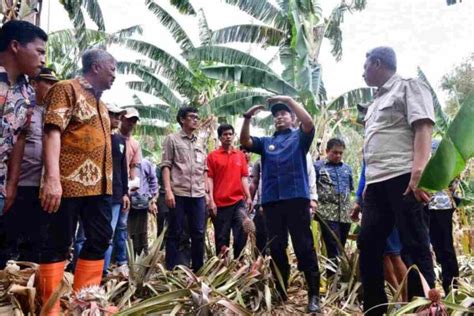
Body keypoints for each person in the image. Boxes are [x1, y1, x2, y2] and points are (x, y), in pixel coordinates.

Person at [357, 46, 436, 315]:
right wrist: (366, 185)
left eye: (366, 66)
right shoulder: (375, 102)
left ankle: (422, 307)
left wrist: (419, 169)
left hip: (403, 176)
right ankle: (374, 309)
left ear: (377, 64)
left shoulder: (408, 86)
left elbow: (423, 125)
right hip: (376, 184)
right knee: (367, 244)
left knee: (414, 243)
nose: (363, 72)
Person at [39, 48, 116, 314]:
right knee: (58, 243)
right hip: (67, 184)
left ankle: (84, 302)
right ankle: (51, 308)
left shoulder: (103, 106)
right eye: (112, 69)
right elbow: (52, 132)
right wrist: (52, 179)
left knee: (101, 238)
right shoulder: (65, 89)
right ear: (96, 67)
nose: (114, 75)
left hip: (99, 188)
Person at [240, 96, 321, 313]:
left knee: (304, 247)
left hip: (296, 200)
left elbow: (309, 123)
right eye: (276, 115)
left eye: (283, 113)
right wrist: (247, 118)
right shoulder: (266, 143)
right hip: (272, 203)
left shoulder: (300, 138)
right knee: (276, 247)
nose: (279, 117)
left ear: (293, 118)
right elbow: (246, 141)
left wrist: (289, 100)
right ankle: (281, 290)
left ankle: (314, 295)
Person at [0, 20, 47, 268]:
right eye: (39, 51)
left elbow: (19, 138)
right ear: (16, 46)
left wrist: (11, 185)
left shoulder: (28, 95)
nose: (42, 59)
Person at [4, 68, 57, 264]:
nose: (52, 88)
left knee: (36, 243)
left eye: (55, 84)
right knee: (9, 240)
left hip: (43, 190)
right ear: (34, 84)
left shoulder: (53, 115)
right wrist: (11, 183)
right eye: (48, 83)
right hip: (19, 185)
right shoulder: (21, 108)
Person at [73, 103, 131, 277]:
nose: (116, 120)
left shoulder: (120, 141)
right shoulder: (91, 136)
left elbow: (123, 169)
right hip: (91, 192)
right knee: (83, 235)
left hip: (114, 193)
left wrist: (125, 192)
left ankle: (101, 271)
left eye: (118, 116)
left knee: (108, 235)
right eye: (112, 115)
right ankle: (77, 269)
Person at [161, 106, 209, 272]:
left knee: (198, 232)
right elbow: (166, 166)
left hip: (197, 193)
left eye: (197, 117)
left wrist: (206, 193)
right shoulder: (172, 139)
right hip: (178, 193)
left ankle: (198, 269)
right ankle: (172, 269)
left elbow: (204, 169)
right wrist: (168, 191)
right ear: (182, 119)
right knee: (175, 231)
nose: (195, 120)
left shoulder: (200, 142)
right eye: (192, 117)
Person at [352, 162, 408, 302]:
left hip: (387, 198)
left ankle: (407, 301)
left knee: (395, 254)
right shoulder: (371, 146)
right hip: (372, 202)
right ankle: (398, 300)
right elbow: (365, 175)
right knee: (382, 256)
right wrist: (359, 201)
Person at [207, 124, 252, 259]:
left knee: (242, 233)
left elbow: (243, 177)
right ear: (220, 137)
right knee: (221, 238)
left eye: (230, 134)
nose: (228, 137)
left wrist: (248, 196)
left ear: (234, 136)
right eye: (225, 134)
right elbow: (209, 179)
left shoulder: (240, 156)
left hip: (238, 202)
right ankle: (222, 267)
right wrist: (211, 201)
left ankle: (239, 263)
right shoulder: (212, 156)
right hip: (220, 204)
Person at [314, 138, 353, 277]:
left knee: (340, 248)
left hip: (345, 214)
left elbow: (350, 189)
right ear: (327, 151)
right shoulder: (318, 167)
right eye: (335, 152)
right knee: (333, 247)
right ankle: (332, 280)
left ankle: (339, 279)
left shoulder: (347, 169)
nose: (338, 156)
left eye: (340, 153)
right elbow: (312, 188)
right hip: (326, 213)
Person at [427, 140, 459, 295]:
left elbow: (454, 183)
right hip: (428, 205)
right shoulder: (426, 148)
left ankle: (452, 287)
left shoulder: (445, 154)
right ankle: (445, 286)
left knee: (445, 247)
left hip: (442, 206)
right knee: (438, 248)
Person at [128, 156, 158, 256]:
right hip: (127, 202)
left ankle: (143, 254)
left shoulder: (144, 164)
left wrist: (151, 199)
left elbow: (153, 180)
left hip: (142, 201)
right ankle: (131, 255)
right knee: (129, 230)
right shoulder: (124, 161)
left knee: (142, 230)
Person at [120, 107, 142, 180]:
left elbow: (133, 167)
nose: (131, 123)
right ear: (122, 118)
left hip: (124, 182)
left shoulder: (135, 144)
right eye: (129, 120)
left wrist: (133, 182)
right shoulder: (111, 137)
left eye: (134, 121)